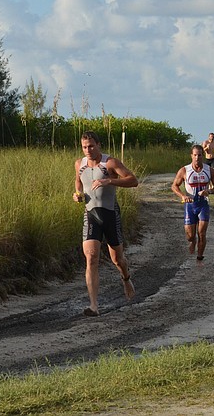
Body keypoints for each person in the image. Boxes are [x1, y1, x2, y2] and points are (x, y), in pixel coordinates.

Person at [73, 131, 138, 317]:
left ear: (98, 145)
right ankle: (94, 305)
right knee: (91, 257)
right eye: (84, 146)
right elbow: (78, 183)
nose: (88, 150)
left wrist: (109, 180)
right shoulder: (79, 164)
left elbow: (133, 180)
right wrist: (77, 194)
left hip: (110, 215)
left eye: (91, 146)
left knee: (117, 259)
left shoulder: (110, 163)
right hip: (91, 215)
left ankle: (126, 278)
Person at [171, 144, 214, 261]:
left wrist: (209, 191)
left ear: (202, 156)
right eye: (195, 155)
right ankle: (192, 241)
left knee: (202, 233)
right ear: (191, 156)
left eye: (199, 155)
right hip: (190, 205)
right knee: (190, 236)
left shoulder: (210, 170)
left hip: (203, 205)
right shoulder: (184, 170)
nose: (197, 158)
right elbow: (174, 186)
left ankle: (200, 257)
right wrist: (183, 195)